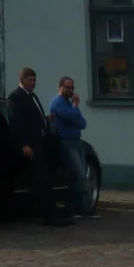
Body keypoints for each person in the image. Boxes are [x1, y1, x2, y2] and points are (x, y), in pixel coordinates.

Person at [8, 65, 70, 225]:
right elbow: (16, 124)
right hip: (30, 145)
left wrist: (45, 119)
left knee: (47, 177)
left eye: (35, 80)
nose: (33, 83)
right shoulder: (16, 97)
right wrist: (24, 145)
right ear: (22, 80)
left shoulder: (32, 96)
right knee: (40, 180)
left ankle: (54, 212)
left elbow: (33, 117)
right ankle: (48, 216)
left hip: (40, 143)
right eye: (30, 80)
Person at [48, 74, 93, 218]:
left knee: (76, 176)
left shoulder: (69, 104)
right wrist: (75, 106)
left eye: (72, 88)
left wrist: (73, 112)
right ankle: (87, 207)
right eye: (68, 88)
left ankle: (74, 208)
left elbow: (82, 123)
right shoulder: (57, 102)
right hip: (66, 141)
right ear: (60, 87)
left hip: (76, 140)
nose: (71, 91)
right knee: (80, 174)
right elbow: (70, 116)